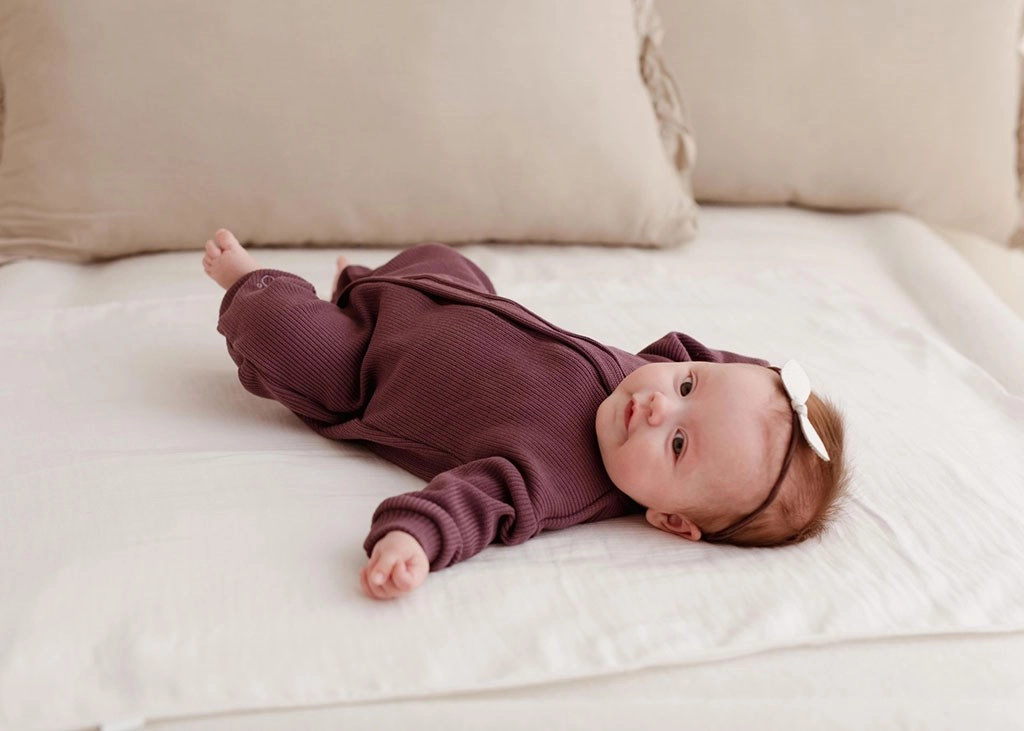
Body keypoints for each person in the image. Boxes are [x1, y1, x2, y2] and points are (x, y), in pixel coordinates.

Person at [203, 229, 848, 601]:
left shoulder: (557, 480)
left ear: (672, 520)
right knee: (445, 258)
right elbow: (720, 377)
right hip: (451, 300)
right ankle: (358, 283)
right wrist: (773, 393)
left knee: (294, 340)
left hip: (368, 371)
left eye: (678, 444)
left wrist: (413, 541)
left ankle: (252, 281)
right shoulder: (651, 380)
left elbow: (473, 504)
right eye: (687, 385)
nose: (660, 406)